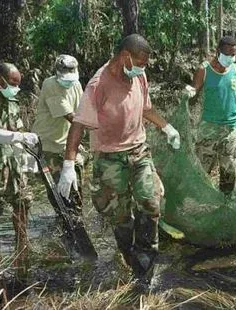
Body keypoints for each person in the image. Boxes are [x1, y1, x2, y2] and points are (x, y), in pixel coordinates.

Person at [57, 34, 180, 277]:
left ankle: (147, 258)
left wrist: (166, 127)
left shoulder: (139, 75)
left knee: (151, 200)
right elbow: (78, 125)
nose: (143, 69)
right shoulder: (97, 85)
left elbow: (146, 107)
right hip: (110, 157)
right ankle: (127, 254)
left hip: (138, 150)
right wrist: (68, 165)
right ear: (125, 57)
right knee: (120, 215)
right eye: (141, 63)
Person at [0, 63, 39, 279]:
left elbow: (18, 128)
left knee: (23, 202)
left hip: (14, 166)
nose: (15, 88)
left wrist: (27, 153)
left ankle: (22, 249)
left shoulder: (12, 100)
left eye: (18, 84)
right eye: (12, 83)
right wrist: (12, 136)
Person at [184, 35, 236, 195]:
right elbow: (194, 95)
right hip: (209, 127)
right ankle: (199, 204)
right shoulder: (204, 70)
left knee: (229, 175)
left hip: (231, 129)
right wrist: (190, 93)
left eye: (233, 54)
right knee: (202, 172)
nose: (230, 57)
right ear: (218, 51)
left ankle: (225, 204)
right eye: (227, 54)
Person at [32, 55, 84, 190]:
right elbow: (73, 118)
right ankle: (65, 211)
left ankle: (74, 211)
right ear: (57, 74)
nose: (69, 83)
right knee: (59, 193)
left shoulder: (76, 84)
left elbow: (83, 112)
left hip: (66, 143)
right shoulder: (50, 85)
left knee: (76, 189)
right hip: (48, 145)